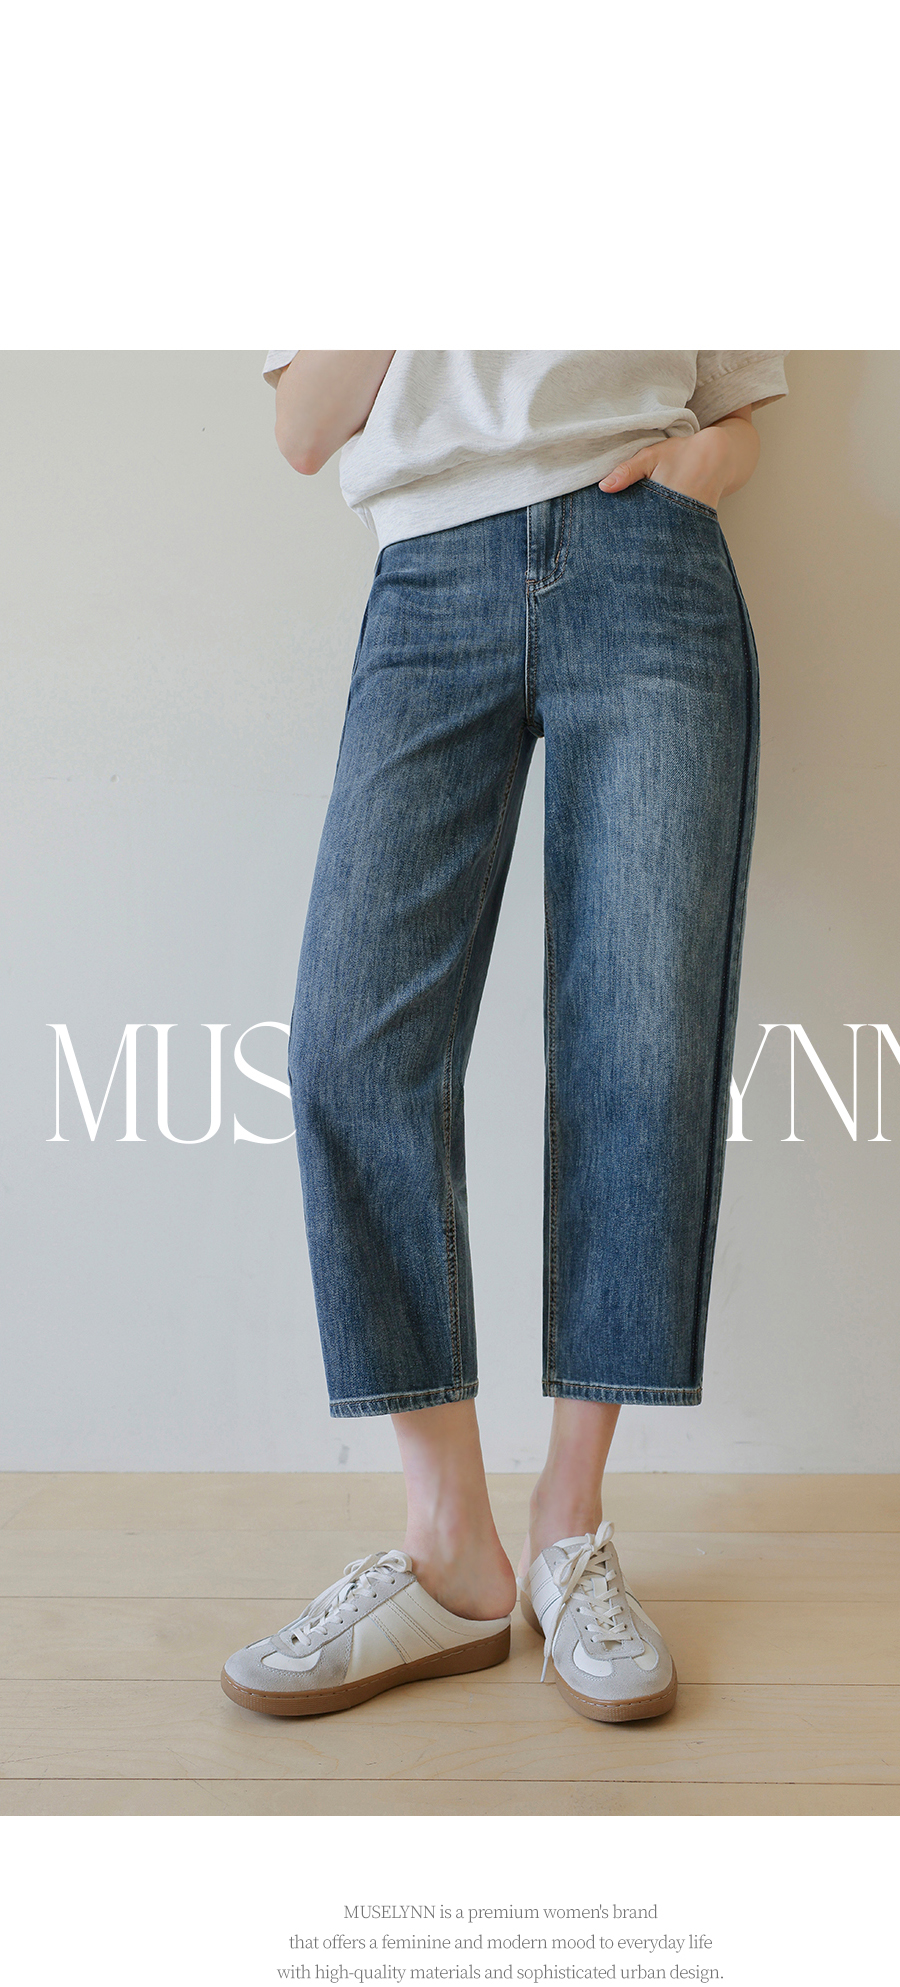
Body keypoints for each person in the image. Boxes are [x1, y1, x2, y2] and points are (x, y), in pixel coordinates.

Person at [221, 350, 787, 1728]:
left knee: (640, 1047)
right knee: (351, 1052)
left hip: (648, 562)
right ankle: (450, 1552)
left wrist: (700, 472)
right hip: (428, 579)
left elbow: (737, 401)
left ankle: (569, 1530)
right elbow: (306, 427)